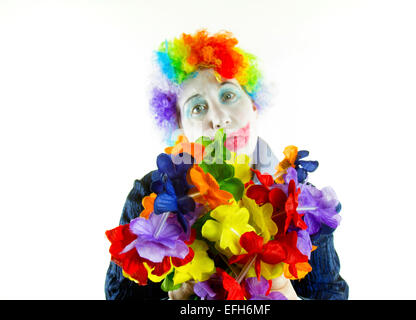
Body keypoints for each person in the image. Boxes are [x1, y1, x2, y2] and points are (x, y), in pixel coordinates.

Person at [105, 30, 349, 300]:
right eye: (198, 108)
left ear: (253, 104)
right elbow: (118, 295)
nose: (219, 119)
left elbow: (332, 292)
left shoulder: (301, 197)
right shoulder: (149, 191)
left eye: (228, 96)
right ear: (181, 128)